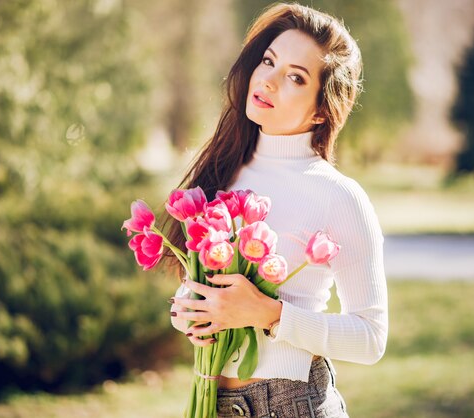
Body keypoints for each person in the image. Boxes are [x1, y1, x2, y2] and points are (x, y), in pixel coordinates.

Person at [166, 3, 388, 417]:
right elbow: (195, 292)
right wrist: (189, 311)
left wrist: (271, 314)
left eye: (295, 77)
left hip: (291, 404)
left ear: (322, 110)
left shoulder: (338, 195)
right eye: (269, 61)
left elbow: (371, 338)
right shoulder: (223, 171)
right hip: (212, 398)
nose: (268, 79)